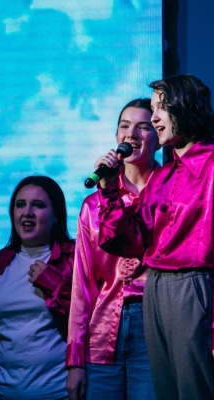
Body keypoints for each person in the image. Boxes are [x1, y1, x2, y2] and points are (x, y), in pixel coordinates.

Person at [95, 74, 214, 400]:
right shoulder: (162, 176)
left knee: (196, 392)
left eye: (161, 107)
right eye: (153, 108)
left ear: (186, 107)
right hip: (155, 289)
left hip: (193, 290)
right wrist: (110, 190)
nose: (154, 117)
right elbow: (132, 241)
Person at [66, 98, 159, 400]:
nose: (131, 134)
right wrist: (75, 360)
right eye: (124, 126)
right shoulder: (93, 206)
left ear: (159, 137)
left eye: (143, 127)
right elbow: (82, 286)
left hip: (154, 323)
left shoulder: (170, 195)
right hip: (103, 330)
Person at [0, 175, 75, 400]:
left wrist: (53, 284)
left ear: (57, 216)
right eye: (20, 204)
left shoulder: (74, 260)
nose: (27, 212)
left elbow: (92, 322)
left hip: (59, 394)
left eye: (38, 205)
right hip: (3, 394)